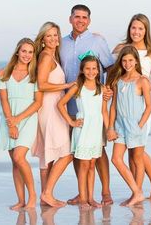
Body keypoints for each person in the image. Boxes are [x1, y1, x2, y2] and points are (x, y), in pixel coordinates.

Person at [60, 4, 114, 205]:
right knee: (79, 151)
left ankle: (105, 192)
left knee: (98, 150)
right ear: (70, 19)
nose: (80, 20)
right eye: (77, 16)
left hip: (94, 104)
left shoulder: (97, 40)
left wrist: (107, 88)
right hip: (71, 107)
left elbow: (110, 67)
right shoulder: (61, 43)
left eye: (84, 17)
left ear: (89, 21)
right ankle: (83, 192)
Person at [112, 13, 151, 200]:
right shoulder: (120, 49)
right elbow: (112, 74)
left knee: (137, 151)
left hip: (141, 107)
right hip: (122, 105)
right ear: (129, 28)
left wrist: (142, 87)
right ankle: (139, 190)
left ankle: (150, 186)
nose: (136, 31)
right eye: (134, 27)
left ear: (146, 31)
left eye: (141, 28)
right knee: (133, 151)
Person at [31, 22, 75, 207]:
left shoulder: (50, 56)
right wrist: (67, 85)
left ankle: (45, 196)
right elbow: (41, 84)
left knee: (46, 155)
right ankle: (47, 193)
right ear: (43, 39)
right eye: (49, 36)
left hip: (51, 108)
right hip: (50, 109)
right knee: (66, 153)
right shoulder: (46, 56)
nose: (53, 39)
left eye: (56, 35)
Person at [0, 38, 42, 210]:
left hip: (28, 118)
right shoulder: (4, 73)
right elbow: (4, 100)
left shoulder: (35, 74)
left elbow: (38, 103)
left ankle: (32, 196)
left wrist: (18, 119)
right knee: (15, 163)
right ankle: (20, 200)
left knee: (19, 157)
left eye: (30, 52)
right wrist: (11, 123)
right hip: (9, 120)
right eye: (24, 51)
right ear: (17, 51)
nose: (27, 55)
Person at [58, 54, 109, 208]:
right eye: (87, 68)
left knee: (92, 164)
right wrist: (71, 122)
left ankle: (91, 198)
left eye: (94, 68)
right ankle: (83, 198)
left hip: (95, 131)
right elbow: (60, 104)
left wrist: (110, 129)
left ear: (98, 71)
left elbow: (104, 112)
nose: (91, 71)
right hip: (83, 130)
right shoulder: (77, 87)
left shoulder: (102, 88)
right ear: (82, 70)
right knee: (84, 165)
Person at [106, 45, 151, 206]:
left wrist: (139, 126)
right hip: (119, 124)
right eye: (124, 60)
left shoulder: (142, 81)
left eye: (130, 60)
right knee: (116, 159)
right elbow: (113, 106)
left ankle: (136, 193)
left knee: (137, 160)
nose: (127, 64)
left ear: (136, 62)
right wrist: (110, 127)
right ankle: (137, 192)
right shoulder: (118, 81)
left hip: (135, 125)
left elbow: (148, 107)